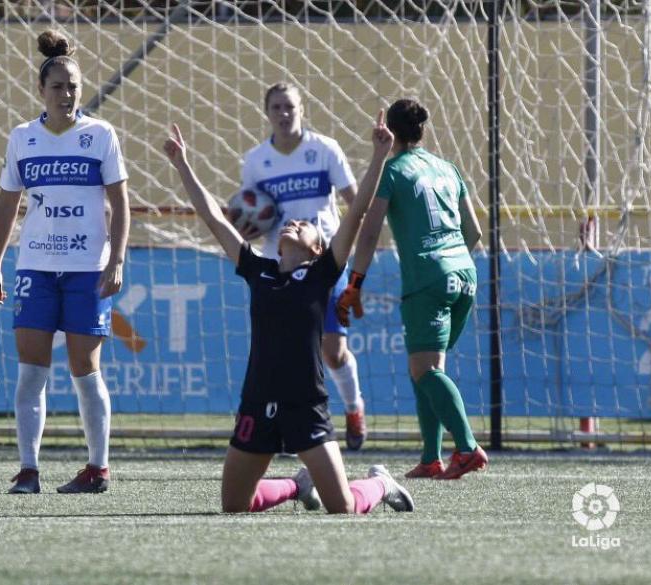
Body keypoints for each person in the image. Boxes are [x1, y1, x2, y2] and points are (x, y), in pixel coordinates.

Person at [163, 113, 414, 514]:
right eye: (292, 222)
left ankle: (380, 483)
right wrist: (182, 165)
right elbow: (213, 216)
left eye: (307, 224)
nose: (296, 222)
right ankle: (297, 486)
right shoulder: (257, 268)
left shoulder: (321, 273)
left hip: (305, 404)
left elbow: (357, 213)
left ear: (319, 247)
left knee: (342, 509)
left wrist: (379, 154)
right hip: (257, 399)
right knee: (233, 507)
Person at [0, 30, 130, 494]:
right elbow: (7, 204)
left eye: (72, 86)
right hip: (36, 269)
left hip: (88, 268)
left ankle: (98, 469)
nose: (66, 94)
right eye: (57, 86)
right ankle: (29, 470)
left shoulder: (100, 135)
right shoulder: (23, 139)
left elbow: (121, 202)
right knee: (31, 371)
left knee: (86, 371)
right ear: (40, 91)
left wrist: (117, 259)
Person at [336, 98, 488, 480]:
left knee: (424, 371)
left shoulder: (392, 170)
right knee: (429, 368)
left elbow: (369, 230)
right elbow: (475, 232)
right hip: (465, 275)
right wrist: (450, 264)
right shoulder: (448, 168)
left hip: (428, 275)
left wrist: (355, 282)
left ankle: (467, 448)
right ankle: (431, 458)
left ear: (390, 130)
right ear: (422, 130)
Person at [236, 83, 369, 451]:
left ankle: (354, 407)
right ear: (267, 112)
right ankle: (284, 426)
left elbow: (354, 202)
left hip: (324, 265)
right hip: (279, 268)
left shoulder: (324, 150)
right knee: (283, 350)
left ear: (301, 110)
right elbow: (248, 209)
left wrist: (347, 254)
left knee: (333, 351)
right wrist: (244, 225)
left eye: (290, 106)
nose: (284, 113)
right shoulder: (255, 160)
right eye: (276, 107)